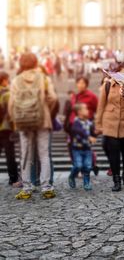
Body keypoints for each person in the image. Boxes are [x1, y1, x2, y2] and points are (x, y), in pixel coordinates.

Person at [8, 52, 58, 199]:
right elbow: (53, 98)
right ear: (36, 63)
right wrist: (45, 110)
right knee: (44, 154)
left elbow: (11, 104)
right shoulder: (44, 78)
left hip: (23, 122)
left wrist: (16, 118)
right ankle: (46, 187)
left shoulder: (16, 80)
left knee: (26, 155)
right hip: (42, 120)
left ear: (21, 64)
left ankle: (27, 188)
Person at [95, 61, 124, 192]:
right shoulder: (108, 85)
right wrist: (98, 124)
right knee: (113, 153)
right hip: (110, 123)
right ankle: (116, 180)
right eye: (121, 73)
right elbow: (100, 106)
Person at [68, 103, 96, 190]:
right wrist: (88, 137)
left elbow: (93, 133)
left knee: (87, 166)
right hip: (77, 149)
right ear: (79, 112)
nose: (88, 110)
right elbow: (79, 131)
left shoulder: (89, 123)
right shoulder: (76, 123)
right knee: (78, 165)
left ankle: (86, 183)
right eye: (85, 109)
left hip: (87, 149)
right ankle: (72, 176)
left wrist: (96, 134)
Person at [0, 71, 21, 187]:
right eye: (7, 79)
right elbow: (11, 111)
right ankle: (13, 179)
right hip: (5, 128)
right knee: (10, 155)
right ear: (4, 80)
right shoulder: (6, 93)